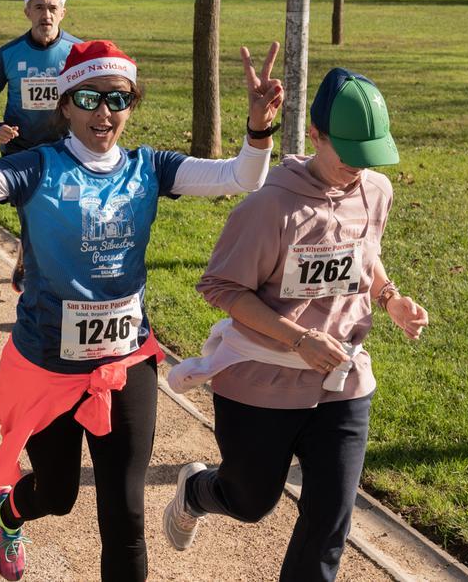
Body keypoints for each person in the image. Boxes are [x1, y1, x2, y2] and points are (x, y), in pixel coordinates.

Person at [0, 38, 283, 581]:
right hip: (48, 367)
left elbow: (240, 177)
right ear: (65, 105)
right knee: (57, 494)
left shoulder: (149, 168)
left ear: (132, 105)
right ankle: (8, 510)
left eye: (117, 98)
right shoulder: (38, 167)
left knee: (124, 514)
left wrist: (257, 130)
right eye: (88, 98)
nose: (104, 112)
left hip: (125, 362)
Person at [163, 68, 429, 581]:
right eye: (348, 152)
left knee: (330, 522)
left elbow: (364, 254)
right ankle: (199, 490)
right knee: (251, 501)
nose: (359, 167)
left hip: (343, 381)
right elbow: (220, 288)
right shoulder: (270, 208)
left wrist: (391, 298)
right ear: (315, 134)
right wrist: (298, 338)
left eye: (369, 154)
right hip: (261, 384)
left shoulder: (375, 190)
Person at [0, 0, 81, 292]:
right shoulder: (9, 54)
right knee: (33, 211)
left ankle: (34, 260)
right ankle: (33, 267)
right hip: (22, 148)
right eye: (39, 7)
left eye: (52, 8)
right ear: (27, 12)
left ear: (62, 13)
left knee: (62, 212)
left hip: (64, 148)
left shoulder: (77, 52)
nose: (45, 14)